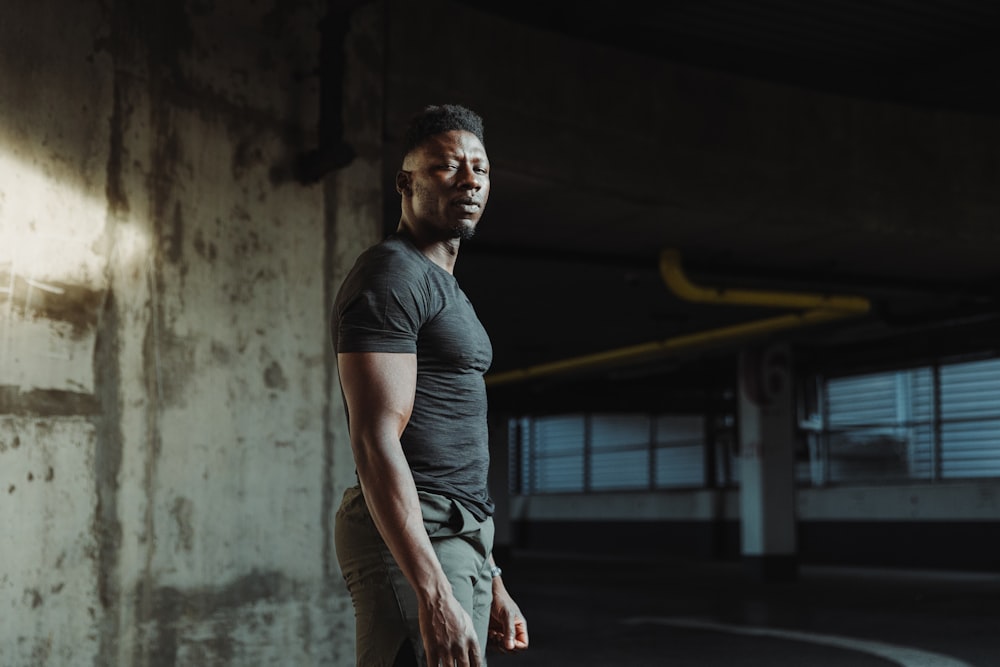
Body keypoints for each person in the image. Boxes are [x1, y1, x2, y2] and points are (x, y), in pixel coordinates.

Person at [331, 104, 529, 667]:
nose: (469, 181)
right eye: (447, 167)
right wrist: (434, 591)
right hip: (418, 536)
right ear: (405, 182)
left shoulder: (444, 286)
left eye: (480, 169)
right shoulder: (391, 275)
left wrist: (490, 580)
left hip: (460, 536)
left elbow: (456, 452)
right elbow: (375, 441)